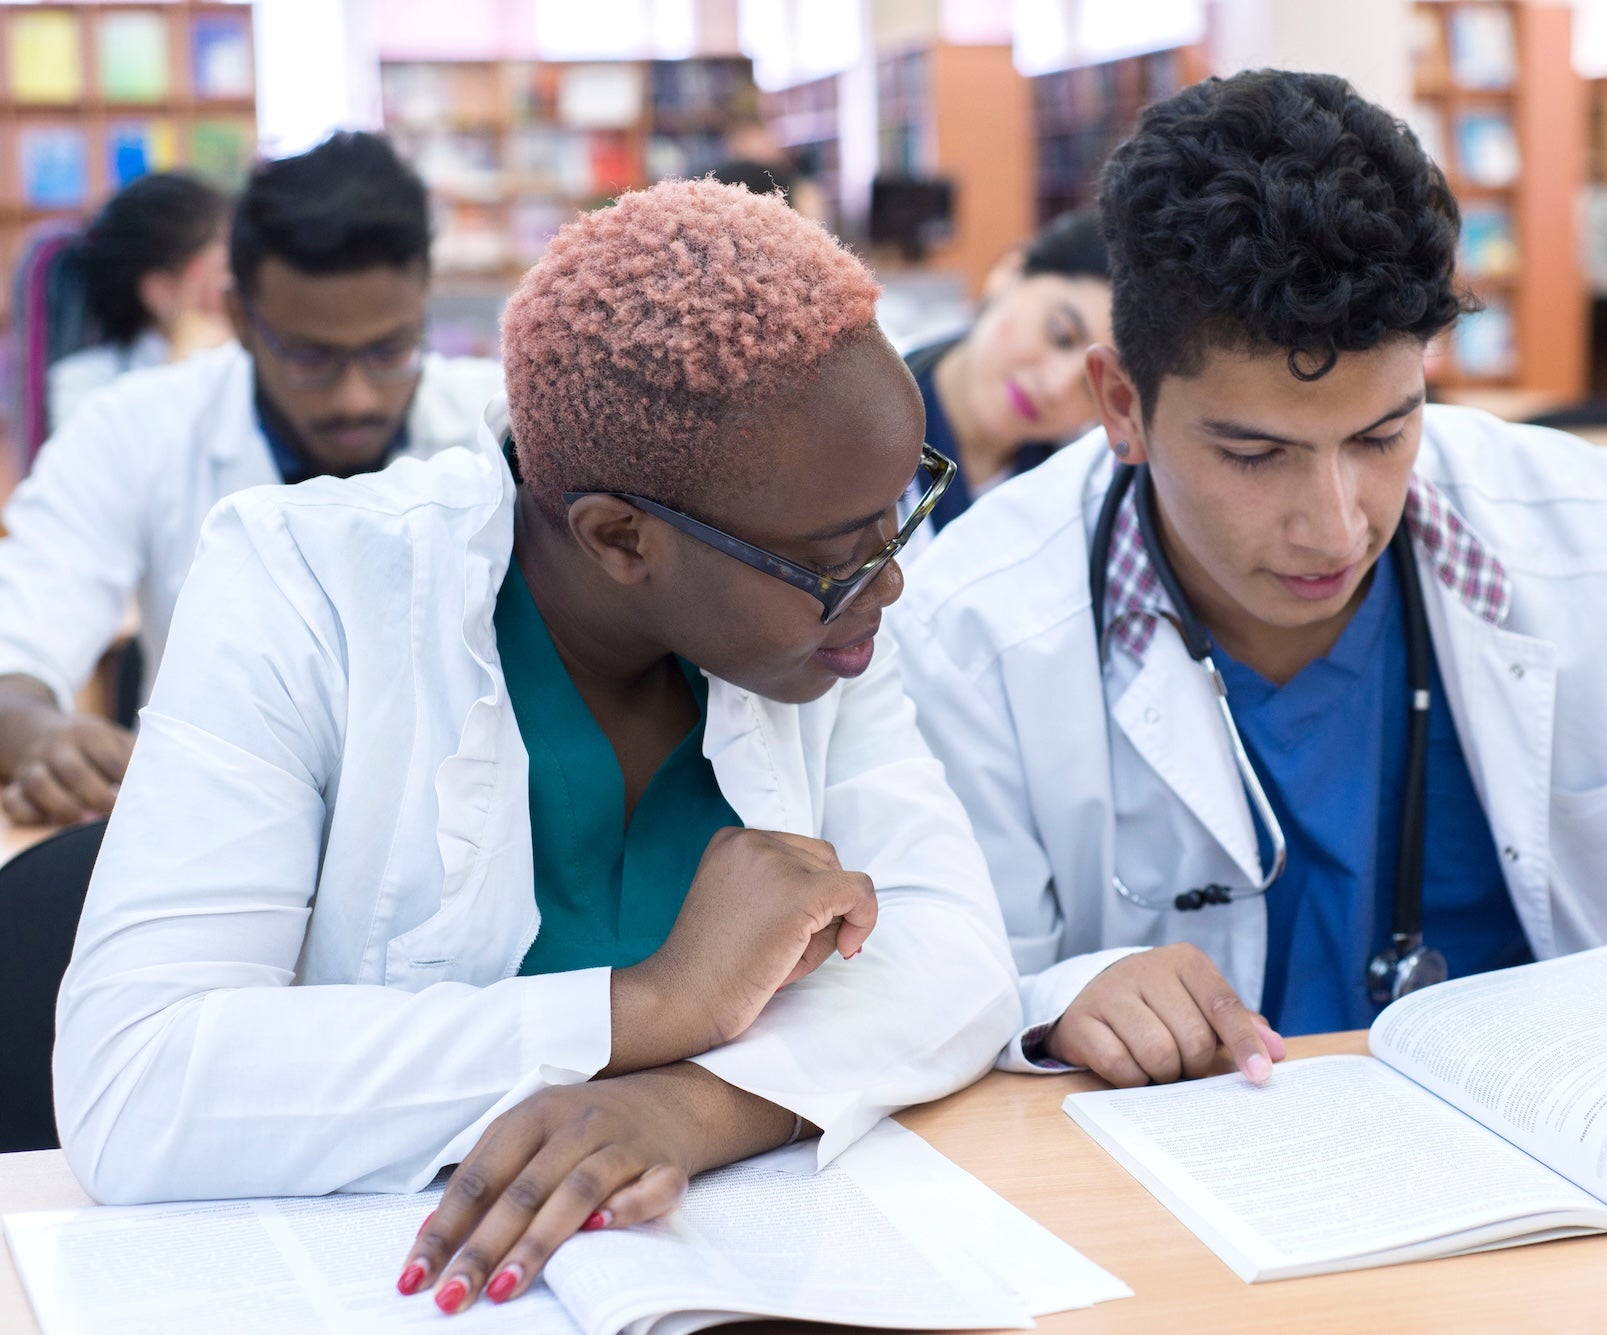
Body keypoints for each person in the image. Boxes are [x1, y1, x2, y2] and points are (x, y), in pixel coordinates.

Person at [891, 69, 1607, 1089]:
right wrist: (1053, 1005)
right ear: (1121, 404)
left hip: (1566, 1159)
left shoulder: (1592, 533)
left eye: (1382, 434)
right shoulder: (972, 622)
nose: (1334, 524)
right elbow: (933, 984)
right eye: (1252, 455)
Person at [52, 178, 1019, 1319]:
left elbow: (955, 956)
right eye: (836, 556)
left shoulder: (822, 626)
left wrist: (692, 1108)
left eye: (898, 517)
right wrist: (652, 1007)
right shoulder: (303, 585)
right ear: (620, 538)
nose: (888, 581)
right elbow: (140, 1086)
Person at [0, 131, 501, 828]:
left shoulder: (502, 428)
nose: (356, 395)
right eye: (310, 356)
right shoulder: (136, 428)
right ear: (238, 317)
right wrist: (43, 737)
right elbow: (14, 650)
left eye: (390, 349)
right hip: (212, 829)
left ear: (423, 303)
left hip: (454, 837)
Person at [901, 210, 1110, 531]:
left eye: (1090, 386)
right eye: (1060, 333)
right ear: (1010, 273)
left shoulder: (1073, 508)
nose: (1055, 386)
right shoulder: (852, 407)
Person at [46, 172, 233, 430]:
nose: (239, 281)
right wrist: (184, 365)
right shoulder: (84, 383)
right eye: (226, 267)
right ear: (161, 291)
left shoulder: (249, 357)